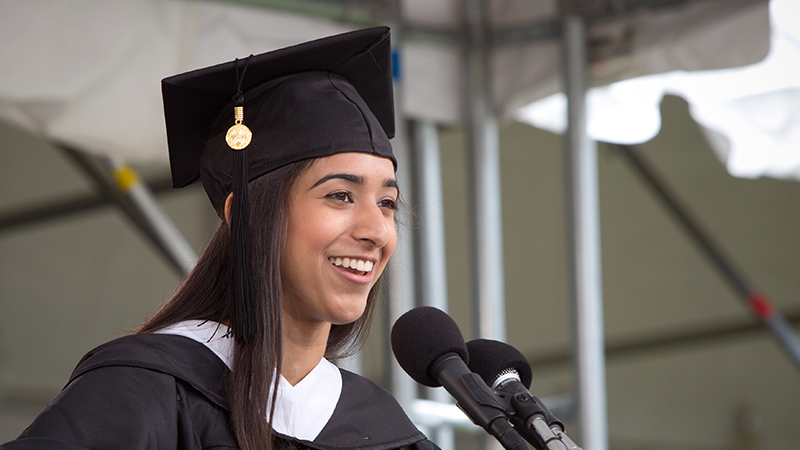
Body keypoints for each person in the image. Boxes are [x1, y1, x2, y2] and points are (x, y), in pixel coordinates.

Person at [2, 27, 438, 450]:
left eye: (387, 202)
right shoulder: (141, 393)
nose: (377, 231)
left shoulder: (385, 431)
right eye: (341, 196)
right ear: (242, 215)